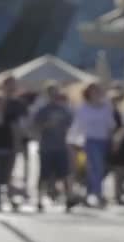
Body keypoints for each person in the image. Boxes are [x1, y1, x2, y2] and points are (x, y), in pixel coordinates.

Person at [32, 82, 74, 212]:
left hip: (61, 146)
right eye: (51, 93)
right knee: (43, 175)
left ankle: (68, 199)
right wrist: (46, 125)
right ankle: (39, 200)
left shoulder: (64, 109)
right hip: (46, 147)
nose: (53, 96)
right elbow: (35, 127)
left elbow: (70, 125)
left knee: (65, 174)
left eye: (55, 92)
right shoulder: (42, 110)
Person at [72, 83, 115, 208]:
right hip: (90, 140)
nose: (95, 94)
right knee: (96, 167)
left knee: (99, 169)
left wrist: (112, 140)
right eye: (93, 91)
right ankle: (98, 194)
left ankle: (89, 193)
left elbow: (110, 125)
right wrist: (74, 141)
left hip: (104, 141)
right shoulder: (83, 108)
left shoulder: (106, 107)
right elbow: (78, 125)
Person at [1, 76, 29, 202]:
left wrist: (23, 137)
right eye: (9, 85)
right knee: (7, 167)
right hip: (4, 139)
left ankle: (22, 190)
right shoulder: (0, 101)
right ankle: (8, 191)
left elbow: (24, 122)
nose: (12, 88)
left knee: (23, 165)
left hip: (19, 138)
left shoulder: (19, 103)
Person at [109, 88, 124, 204]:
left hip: (123, 143)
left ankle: (119, 192)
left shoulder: (123, 112)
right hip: (112, 143)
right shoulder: (108, 113)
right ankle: (116, 193)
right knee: (116, 170)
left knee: (123, 169)